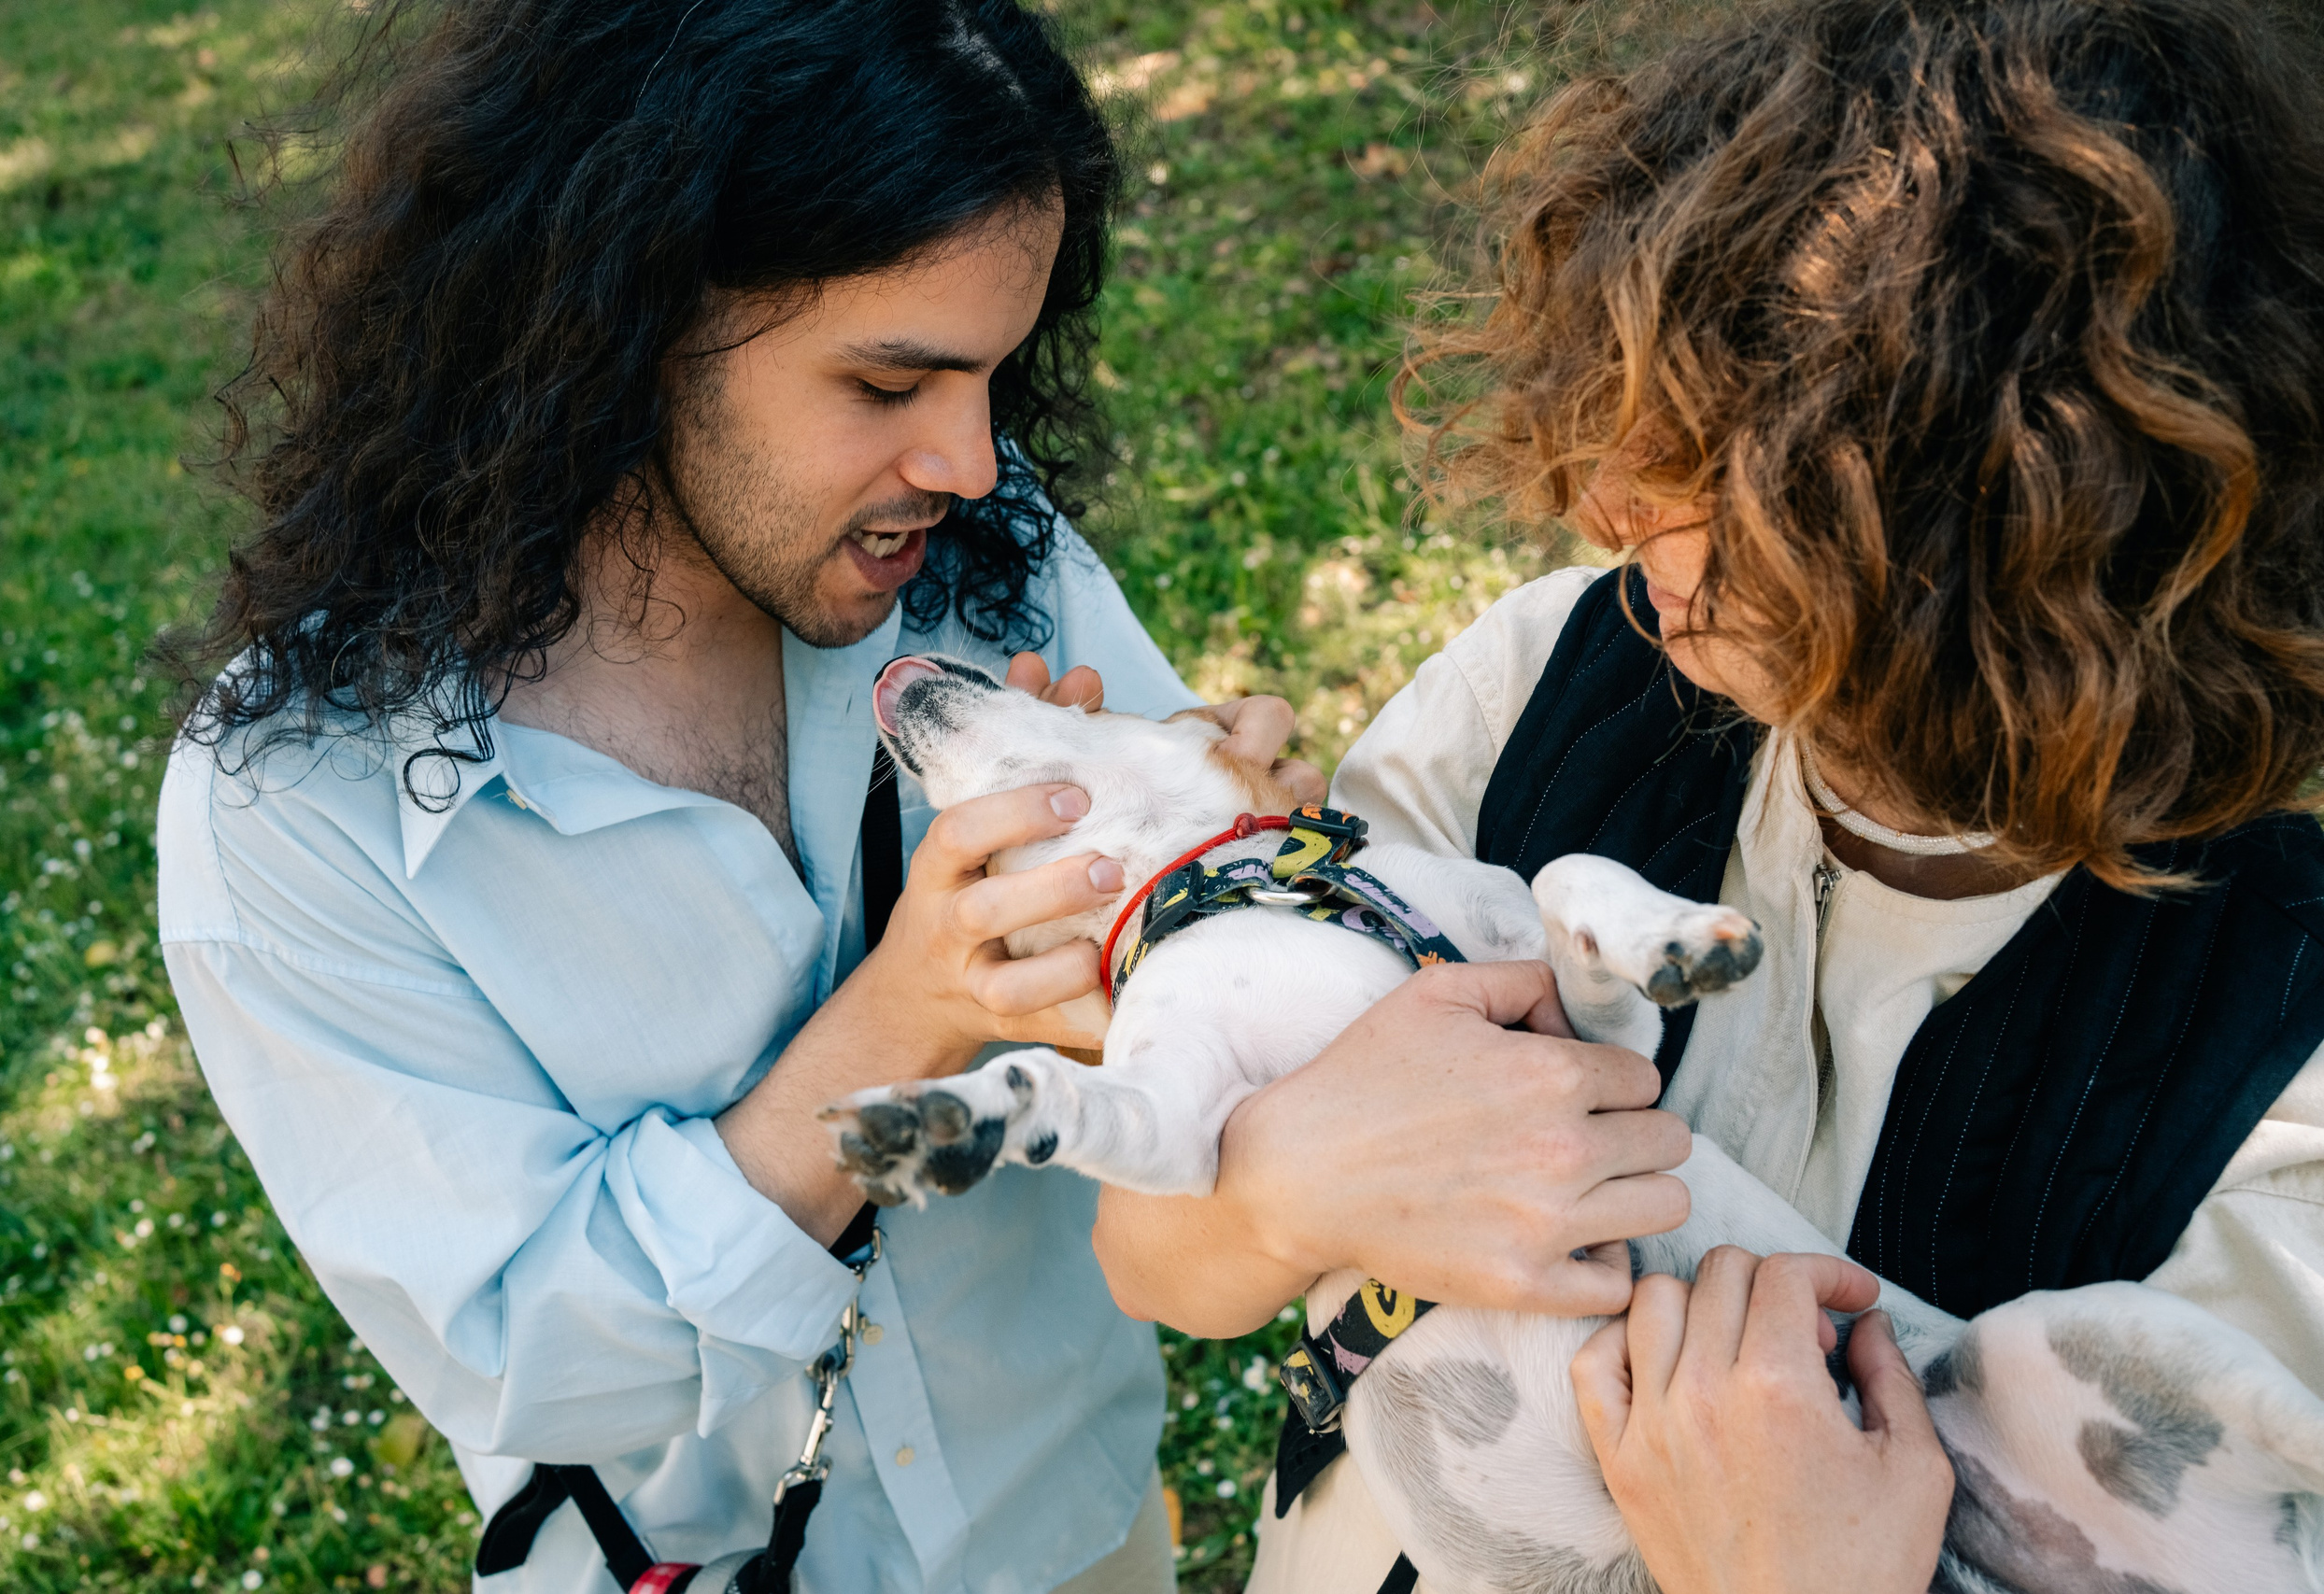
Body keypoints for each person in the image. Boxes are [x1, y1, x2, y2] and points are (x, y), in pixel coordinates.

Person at [1091, 0, 2324, 1590]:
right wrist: (1280, 1188)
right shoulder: (1535, 688)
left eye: (1702, 472)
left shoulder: (2277, 1075)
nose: (1607, 506)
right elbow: (1160, 1260)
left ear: (1971, 535)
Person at [155, 2, 1329, 1588]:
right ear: (626, 320)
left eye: (994, 374)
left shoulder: (983, 563)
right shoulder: (301, 801)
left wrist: (1224, 856)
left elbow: (1200, 995)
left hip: (1079, 1516)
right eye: (890, 381)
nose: (976, 463)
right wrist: (902, 1024)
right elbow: (520, 1348)